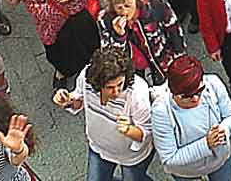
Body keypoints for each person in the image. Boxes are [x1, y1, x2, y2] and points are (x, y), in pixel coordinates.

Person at [53, 45, 157, 181]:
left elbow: (147, 131)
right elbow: (78, 99)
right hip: (98, 147)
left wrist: (129, 130)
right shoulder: (86, 78)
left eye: (120, 84)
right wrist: (67, 101)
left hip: (131, 157)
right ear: (97, 83)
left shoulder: (137, 92)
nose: (116, 91)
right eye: (110, 87)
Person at [152, 54, 231, 181]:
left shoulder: (213, 84)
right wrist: (206, 144)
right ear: (173, 93)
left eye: (199, 91)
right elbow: (169, 158)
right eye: (186, 96)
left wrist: (224, 129)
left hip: (219, 159)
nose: (195, 98)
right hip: (185, 171)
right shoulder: (161, 111)